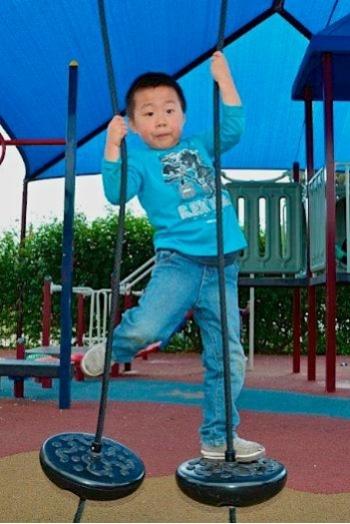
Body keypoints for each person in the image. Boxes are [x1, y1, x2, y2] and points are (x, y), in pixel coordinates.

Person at [81, 51, 265, 462]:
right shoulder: (141, 161)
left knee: (229, 356)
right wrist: (112, 147)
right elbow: (116, 193)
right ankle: (115, 349)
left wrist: (225, 79)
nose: (161, 119)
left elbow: (233, 127)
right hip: (179, 263)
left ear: (182, 115)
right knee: (148, 328)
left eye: (169, 109)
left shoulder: (200, 145)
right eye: (148, 113)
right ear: (133, 123)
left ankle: (219, 437)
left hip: (224, 267)